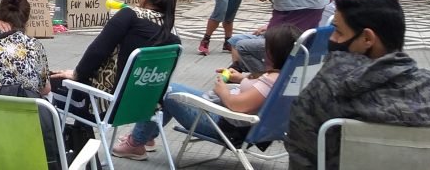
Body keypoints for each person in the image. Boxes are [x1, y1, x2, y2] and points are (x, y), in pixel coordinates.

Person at [286, 0, 430, 170]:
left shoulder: (320, 95)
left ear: (367, 39)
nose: (332, 38)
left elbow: (303, 162)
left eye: (339, 32)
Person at [113, 25, 302, 160]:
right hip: (235, 123)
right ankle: (145, 136)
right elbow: (257, 94)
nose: (263, 53)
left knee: (165, 92)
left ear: (275, 53)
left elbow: (238, 106)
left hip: (223, 125)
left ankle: (136, 143)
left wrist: (222, 91)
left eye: (266, 49)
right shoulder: (290, 77)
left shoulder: (271, 81)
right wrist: (241, 79)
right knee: (170, 88)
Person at [50, 0, 181, 151]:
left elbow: (96, 51)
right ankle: (85, 146)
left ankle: (61, 150)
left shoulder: (130, 16)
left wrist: (76, 75)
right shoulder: (172, 37)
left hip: (106, 106)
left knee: (47, 83)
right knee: (72, 83)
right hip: (143, 108)